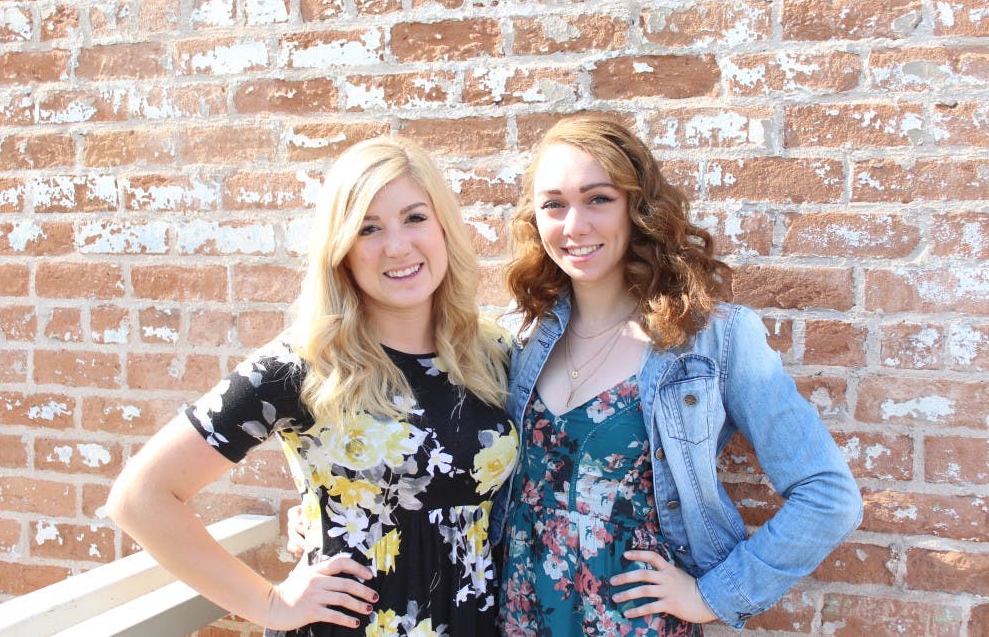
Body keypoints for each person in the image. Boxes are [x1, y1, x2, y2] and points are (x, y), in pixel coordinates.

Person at [106, 135, 519, 636]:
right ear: (341, 250)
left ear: (444, 227)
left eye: (415, 218)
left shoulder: (491, 352)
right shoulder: (302, 363)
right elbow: (140, 497)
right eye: (368, 228)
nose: (396, 246)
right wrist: (271, 604)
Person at [488, 115, 864, 635]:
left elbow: (829, 497)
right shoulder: (525, 338)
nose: (574, 226)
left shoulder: (713, 339)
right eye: (554, 204)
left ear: (637, 207)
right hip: (519, 614)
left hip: (633, 624)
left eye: (598, 199)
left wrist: (712, 596)